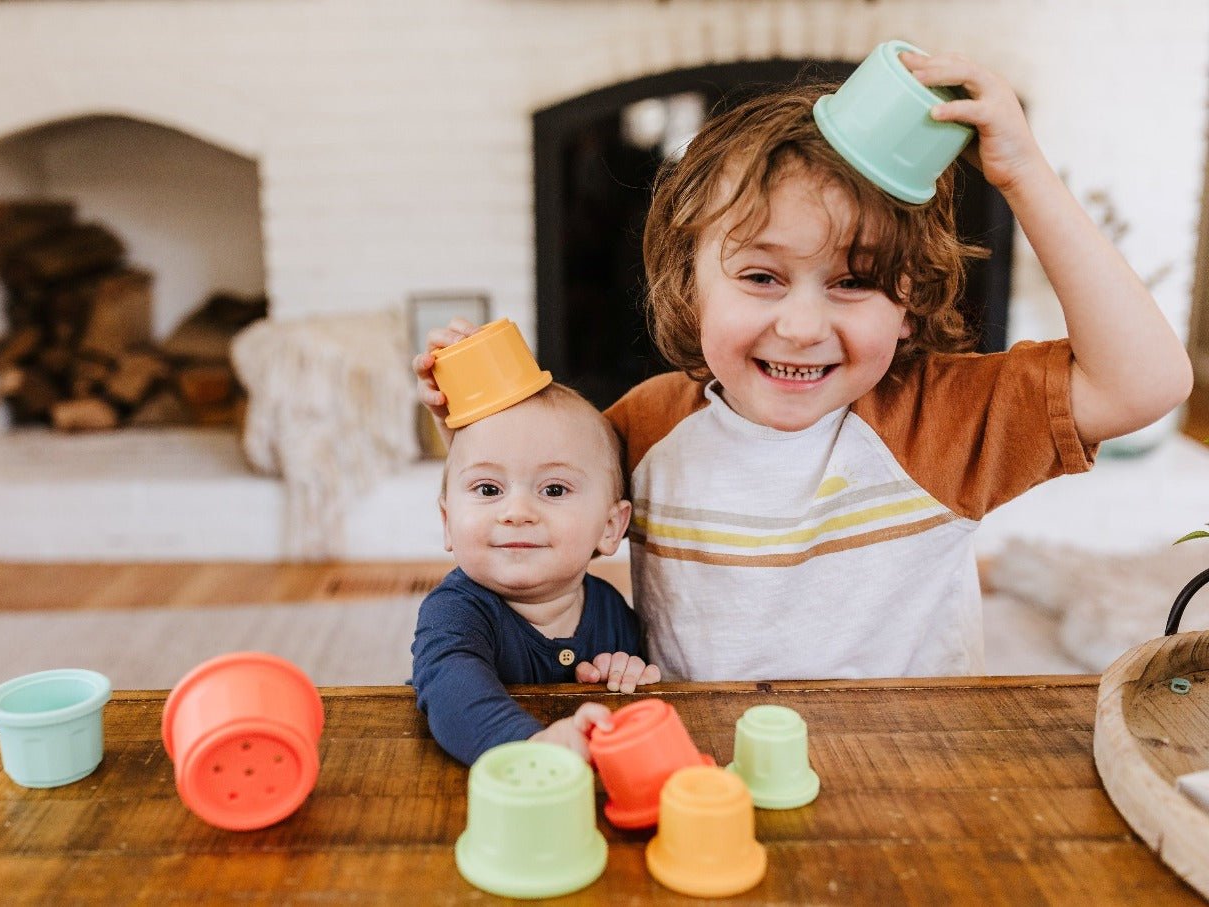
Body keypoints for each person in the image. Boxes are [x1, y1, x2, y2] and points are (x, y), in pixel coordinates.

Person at [414, 51, 1192, 682]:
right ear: (691, 285)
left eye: (853, 281)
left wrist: (1025, 176)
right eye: (761, 277)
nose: (800, 325)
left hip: (910, 782)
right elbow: (538, 492)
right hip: (704, 778)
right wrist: (485, 419)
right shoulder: (649, 424)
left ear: (909, 301)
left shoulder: (947, 417)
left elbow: (1146, 382)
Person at [410, 381, 661, 765]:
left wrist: (625, 668)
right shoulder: (454, 613)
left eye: (554, 490)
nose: (517, 511)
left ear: (611, 527)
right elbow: (451, 690)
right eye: (489, 489)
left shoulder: (612, 611)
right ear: (447, 522)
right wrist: (530, 746)